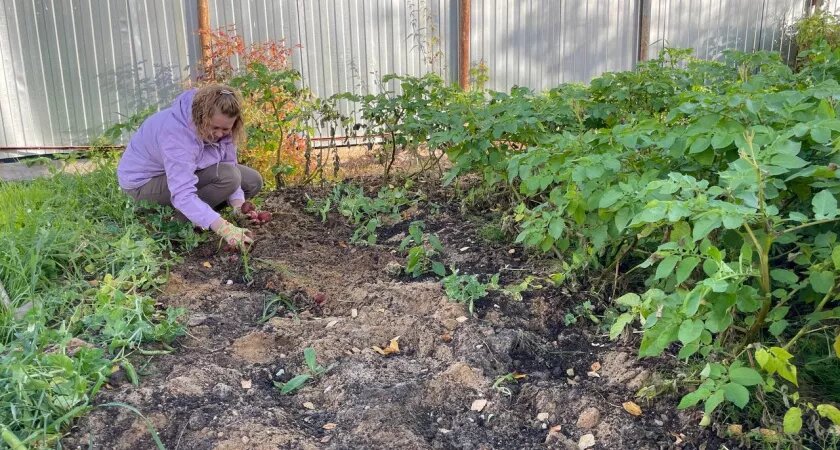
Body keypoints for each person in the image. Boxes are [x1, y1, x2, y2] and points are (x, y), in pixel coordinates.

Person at [117, 84, 267, 248]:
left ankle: (200, 214)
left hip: (183, 173)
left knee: (251, 181)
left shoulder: (227, 130)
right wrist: (224, 228)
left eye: (225, 129)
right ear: (202, 117)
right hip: (143, 184)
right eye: (214, 127)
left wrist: (239, 207)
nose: (219, 134)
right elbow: (182, 192)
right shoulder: (177, 133)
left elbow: (229, 164)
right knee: (228, 177)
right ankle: (179, 224)